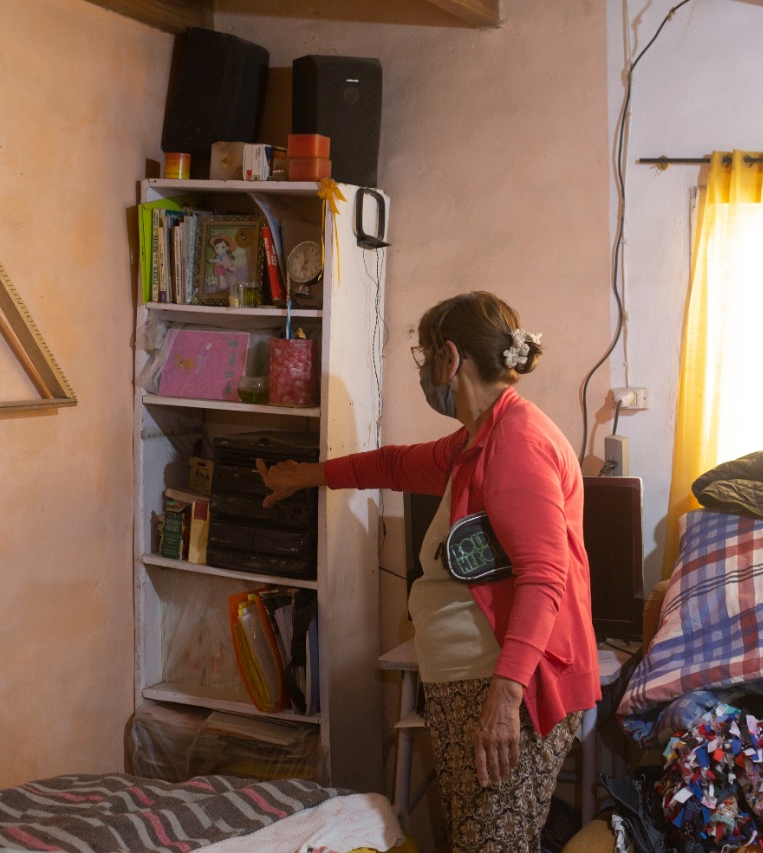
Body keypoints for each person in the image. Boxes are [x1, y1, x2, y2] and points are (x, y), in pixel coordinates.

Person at [257, 291, 601, 852]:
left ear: (450, 357)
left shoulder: (517, 442)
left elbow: (545, 578)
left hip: (501, 686)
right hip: (468, 680)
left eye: (423, 355)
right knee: (476, 841)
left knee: (491, 846)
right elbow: (395, 465)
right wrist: (306, 476)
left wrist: (504, 697)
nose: (422, 371)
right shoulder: (480, 438)